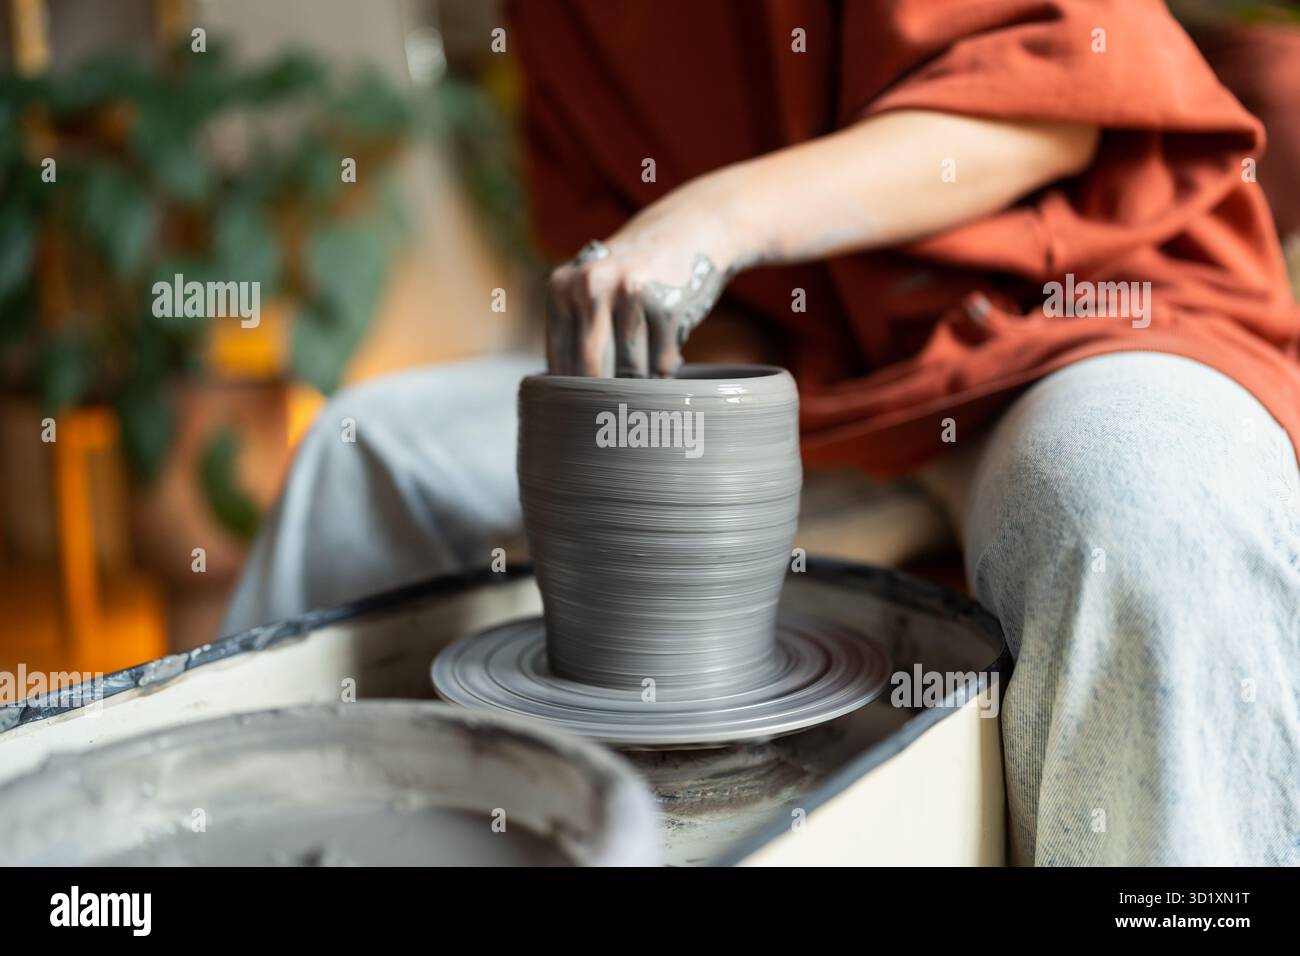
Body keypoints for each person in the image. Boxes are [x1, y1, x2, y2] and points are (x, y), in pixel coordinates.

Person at [223, 0, 1300, 865]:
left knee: (1136, 507)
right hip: (814, 381)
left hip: (1075, 314)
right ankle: (249, 833)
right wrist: (690, 384)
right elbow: (670, 278)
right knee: (367, 451)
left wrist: (712, 220)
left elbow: (1050, 102)